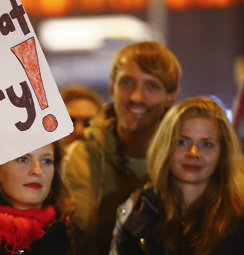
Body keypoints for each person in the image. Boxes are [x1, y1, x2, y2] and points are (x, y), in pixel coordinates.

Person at [110, 96, 244, 255]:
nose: (193, 153)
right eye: (182, 142)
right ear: (164, 147)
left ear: (223, 153)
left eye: (206, 144)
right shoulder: (137, 213)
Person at [62, 41, 181, 254]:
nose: (136, 96)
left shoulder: (184, 162)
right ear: (112, 88)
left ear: (171, 96)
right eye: (127, 82)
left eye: (151, 85)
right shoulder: (77, 157)